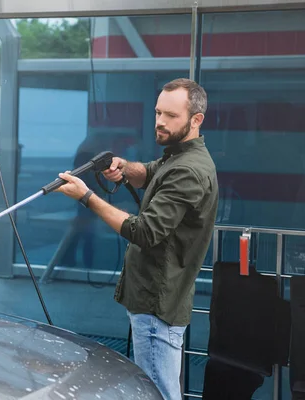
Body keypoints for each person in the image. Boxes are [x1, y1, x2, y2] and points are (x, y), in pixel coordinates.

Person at [54, 78, 219, 400]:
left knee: (158, 391)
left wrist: (86, 196)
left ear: (196, 119)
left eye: (171, 115)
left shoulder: (189, 169)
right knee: (157, 385)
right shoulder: (177, 157)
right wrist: (122, 166)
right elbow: (150, 172)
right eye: (158, 112)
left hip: (157, 304)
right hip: (155, 299)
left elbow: (145, 232)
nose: (160, 121)